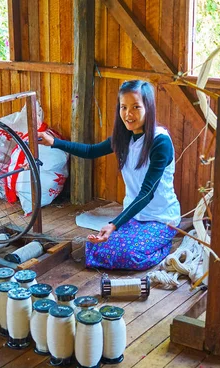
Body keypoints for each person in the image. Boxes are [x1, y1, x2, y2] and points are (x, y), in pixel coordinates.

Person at [38, 80, 181, 270]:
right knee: (94, 248)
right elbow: (90, 151)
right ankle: (133, 241)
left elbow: (147, 193)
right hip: (133, 215)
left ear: (149, 107)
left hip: (160, 218)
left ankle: (164, 245)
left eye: (136, 107)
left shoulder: (160, 142)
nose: (128, 114)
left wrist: (113, 225)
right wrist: (54, 142)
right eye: (123, 107)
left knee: (130, 256)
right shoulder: (123, 137)